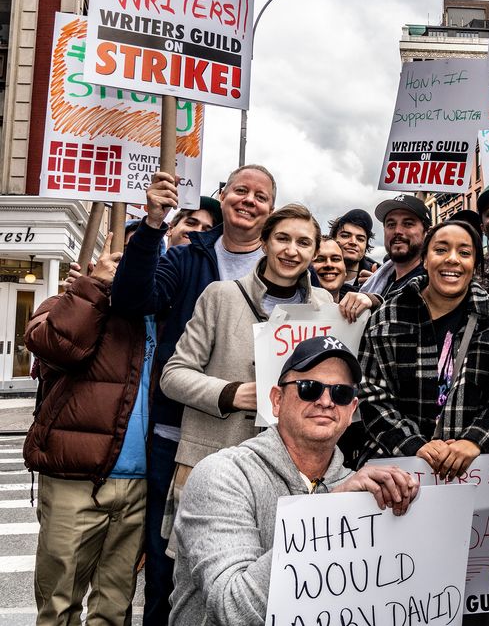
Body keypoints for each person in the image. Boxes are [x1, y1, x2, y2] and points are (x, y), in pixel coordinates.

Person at [111, 164, 277, 626]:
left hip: (256, 446)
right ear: (222, 196)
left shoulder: (288, 272)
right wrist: (151, 226)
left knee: (245, 576)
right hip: (179, 438)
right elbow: (130, 300)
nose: (248, 200)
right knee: (169, 573)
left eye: (260, 196)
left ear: (271, 210)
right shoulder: (187, 258)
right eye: (240, 190)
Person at [169, 335, 419, 626]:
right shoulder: (222, 475)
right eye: (309, 388)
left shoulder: (362, 492)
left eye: (340, 393)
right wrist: (331, 512)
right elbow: (233, 608)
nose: (326, 401)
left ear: (351, 411)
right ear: (276, 400)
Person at [161, 204, 372, 546]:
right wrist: (230, 393)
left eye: (303, 243)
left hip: (295, 471)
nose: (291, 250)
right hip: (216, 460)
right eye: (282, 239)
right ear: (264, 242)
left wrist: (369, 301)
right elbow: (173, 375)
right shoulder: (221, 296)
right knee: (209, 580)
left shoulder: (329, 308)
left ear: (314, 250)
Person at [23, 233, 148, 626]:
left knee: (113, 607)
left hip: (140, 482)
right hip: (74, 476)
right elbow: (53, 346)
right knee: (59, 605)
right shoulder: (69, 300)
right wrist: (93, 287)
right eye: (126, 250)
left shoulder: (160, 308)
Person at [359, 220, 489, 477]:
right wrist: (415, 446)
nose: (452, 259)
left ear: (475, 265)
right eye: (441, 250)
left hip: (479, 474)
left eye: (464, 252)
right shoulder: (387, 317)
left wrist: (474, 441)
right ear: (425, 260)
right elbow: (371, 394)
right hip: (398, 473)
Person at [360, 194, 429, 301]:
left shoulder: (431, 285)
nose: (397, 231)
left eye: (408, 224)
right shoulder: (378, 282)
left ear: (426, 233)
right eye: (391, 224)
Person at [330, 208, 376, 286]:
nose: (353, 242)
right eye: (345, 236)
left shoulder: (379, 278)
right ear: (332, 239)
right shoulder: (311, 273)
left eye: (360, 239)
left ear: (366, 245)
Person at [312, 235, 349, 301]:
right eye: (320, 259)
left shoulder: (364, 300)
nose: (329, 265)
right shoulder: (291, 306)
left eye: (335, 259)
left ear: (345, 269)